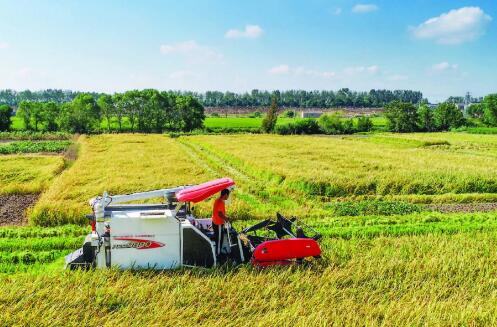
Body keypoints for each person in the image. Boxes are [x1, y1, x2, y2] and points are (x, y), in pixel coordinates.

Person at [212, 188, 230, 255]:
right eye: (228, 195)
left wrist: (225, 217)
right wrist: (226, 218)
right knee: (219, 241)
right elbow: (219, 214)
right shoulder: (220, 202)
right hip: (218, 223)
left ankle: (217, 253)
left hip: (215, 222)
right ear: (225, 194)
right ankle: (218, 255)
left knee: (218, 239)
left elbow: (220, 212)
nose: (228, 197)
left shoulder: (217, 200)